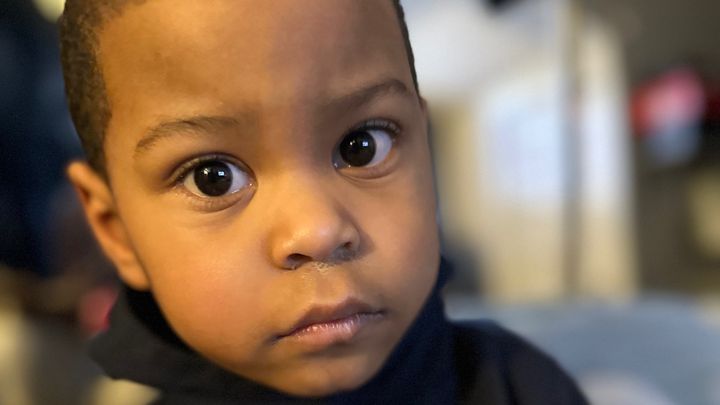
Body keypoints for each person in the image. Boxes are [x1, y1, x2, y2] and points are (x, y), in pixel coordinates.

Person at [59, 0, 588, 403]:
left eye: (363, 146)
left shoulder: (523, 388)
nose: (317, 230)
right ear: (116, 230)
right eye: (212, 179)